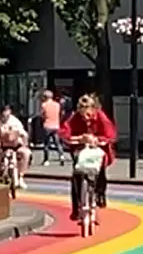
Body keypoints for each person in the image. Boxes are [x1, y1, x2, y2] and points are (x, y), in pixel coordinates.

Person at [63, 93, 118, 222]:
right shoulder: (75, 118)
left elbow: (110, 134)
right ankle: (76, 208)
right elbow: (66, 131)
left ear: (93, 109)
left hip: (98, 149)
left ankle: (100, 195)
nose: (85, 118)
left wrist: (97, 139)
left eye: (88, 114)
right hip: (81, 149)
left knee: (100, 171)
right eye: (82, 114)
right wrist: (77, 138)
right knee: (76, 175)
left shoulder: (101, 117)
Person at [0, 104, 30, 188]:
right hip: (0, 146)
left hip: (14, 145)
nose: (6, 118)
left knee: (26, 153)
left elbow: (23, 134)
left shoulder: (15, 121)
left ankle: (20, 176)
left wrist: (24, 144)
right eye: (4, 116)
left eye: (8, 116)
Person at [35, 89, 64, 163]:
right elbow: (61, 114)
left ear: (45, 97)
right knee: (57, 142)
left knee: (46, 144)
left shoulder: (44, 105)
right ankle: (61, 155)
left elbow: (42, 115)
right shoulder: (57, 105)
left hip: (47, 125)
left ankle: (46, 160)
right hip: (56, 125)